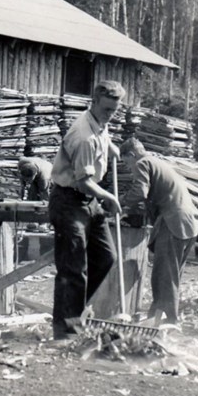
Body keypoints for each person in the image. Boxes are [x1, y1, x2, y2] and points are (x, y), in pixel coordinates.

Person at [48, 81, 124, 339]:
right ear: (94, 102)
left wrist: (109, 146)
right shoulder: (83, 136)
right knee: (73, 267)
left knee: (106, 257)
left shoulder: (99, 123)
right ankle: (65, 331)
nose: (109, 115)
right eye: (106, 110)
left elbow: (102, 133)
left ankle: (74, 309)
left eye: (114, 110)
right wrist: (109, 197)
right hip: (69, 200)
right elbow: (83, 181)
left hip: (87, 202)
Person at [119, 138, 198, 324]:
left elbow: (140, 192)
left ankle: (169, 322)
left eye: (126, 162)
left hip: (175, 221)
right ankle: (156, 318)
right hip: (189, 221)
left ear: (132, 155)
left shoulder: (142, 163)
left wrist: (118, 201)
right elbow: (151, 197)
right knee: (170, 275)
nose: (127, 168)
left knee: (164, 275)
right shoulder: (157, 162)